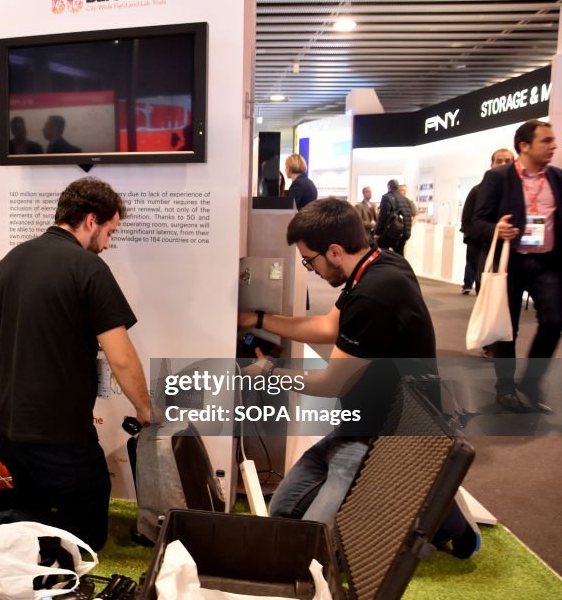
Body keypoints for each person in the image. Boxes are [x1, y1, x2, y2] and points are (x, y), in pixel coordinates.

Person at [0, 177, 153, 572]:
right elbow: (121, 358)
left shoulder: (11, 260)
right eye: (109, 232)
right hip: (59, 433)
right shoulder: (89, 269)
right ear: (90, 220)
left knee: (32, 501)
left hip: (7, 427)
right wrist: (145, 407)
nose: (107, 243)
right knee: (87, 532)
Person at [237, 198, 478, 557]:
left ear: (334, 251)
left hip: (386, 437)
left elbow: (330, 383)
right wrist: (258, 319)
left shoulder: (373, 296)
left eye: (309, 260)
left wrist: (272, 373)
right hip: (357, 424)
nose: (311, 268)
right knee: (284, 511)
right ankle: (412, 494)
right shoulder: (379, 263)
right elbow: (328, 326)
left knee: (316, 545)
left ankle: (441, 513)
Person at [468, 120, 560, 414]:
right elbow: (477, 221)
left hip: (547, 262)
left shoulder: (557, 178)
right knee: (506, 329)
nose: (553, 146)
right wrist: (497, 228)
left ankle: (531, 384)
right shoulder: (497, 178)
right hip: (509, 262)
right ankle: (505, 387)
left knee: (555, 320)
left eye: (552, 140)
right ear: (525, 145)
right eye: (546, 141)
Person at [461, 149, 514, 295]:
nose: (503, 164)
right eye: (499, 161)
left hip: (509, 251)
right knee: (485, 293)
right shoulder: (477, 191)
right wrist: (493, 230)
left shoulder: (516, 190)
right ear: (491, 164)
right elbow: (467, 222)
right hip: (482, 249)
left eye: (507, 161)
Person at [374, 179, 412, 254]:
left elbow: (383, 217)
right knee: (400, 257)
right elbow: (408, 217)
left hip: (390, 234)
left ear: (389, 187)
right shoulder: (406, 200)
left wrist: (378, 232)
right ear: (398, 187)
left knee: (383, 256)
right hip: (403, 234)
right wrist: (406, 234)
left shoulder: (387, 197)